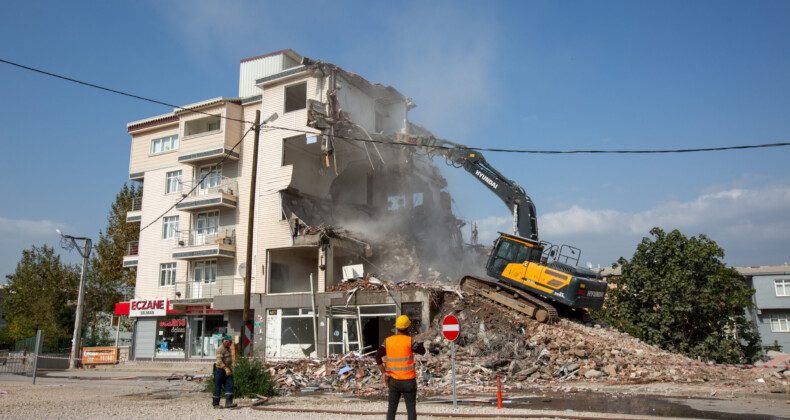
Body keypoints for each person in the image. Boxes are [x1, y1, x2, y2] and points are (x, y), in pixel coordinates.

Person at [375, 315, 426, 420]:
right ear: (408, 327)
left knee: (392, 409)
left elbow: (377, 356)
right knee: (411, 408)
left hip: (393, 381)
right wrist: (415, 340)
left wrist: (384, 372)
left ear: (397, 327)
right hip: (409, 381)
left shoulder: (388, 341)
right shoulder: (410, 341)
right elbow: (422, 351)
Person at [213, 335, 237, 409]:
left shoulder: (228, 348)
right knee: (218, 386)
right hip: (219, 370)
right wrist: (225, 368)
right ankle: (216, 404)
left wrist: (228, 368)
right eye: (230, 342)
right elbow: (219, 361)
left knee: (229, 385)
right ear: (226, 342)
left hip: (228, 370)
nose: (231, 343)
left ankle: (229, 402)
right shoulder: (220, 349)